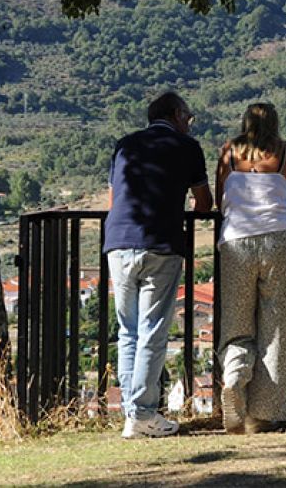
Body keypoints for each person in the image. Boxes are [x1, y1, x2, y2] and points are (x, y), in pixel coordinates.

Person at [104, 91, 210, 439]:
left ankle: (131, 413)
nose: (189, 123)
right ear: (178, 115)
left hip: (118, 242)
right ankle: (143, 414)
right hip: (161, 244)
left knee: (127, 330)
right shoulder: (187, 147)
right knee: (152, 329)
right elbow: (203, 202)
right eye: (189, 117)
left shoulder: (125, 145)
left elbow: (113, 198)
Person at [216, 102, 286, 434]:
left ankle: (235, 378)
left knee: (237, 320)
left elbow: (218, 199)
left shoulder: (229, 151)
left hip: (237, 242)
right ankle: (267, 416)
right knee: (277, 325)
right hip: (280, 240)